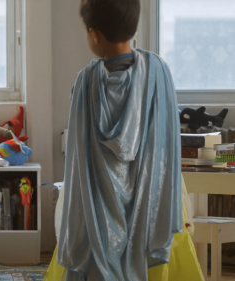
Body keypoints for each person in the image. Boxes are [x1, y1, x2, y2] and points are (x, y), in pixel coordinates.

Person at [43, 0, 204, 280]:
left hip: (98, 219)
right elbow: (166, 144)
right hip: (149, 203)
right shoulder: (158, 72)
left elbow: (80, 157)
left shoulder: (85, 82)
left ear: (94, 35)